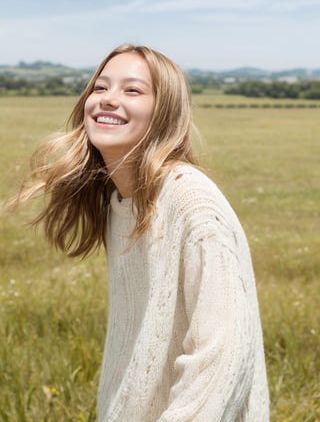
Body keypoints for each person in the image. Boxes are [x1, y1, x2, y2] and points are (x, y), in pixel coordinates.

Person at [11, 44, 269, 421]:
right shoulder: (122, 201)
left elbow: (223, 358)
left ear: (165, 114)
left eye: (132, 91)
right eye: (100, 88)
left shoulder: (191, 203)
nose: (109, 100)